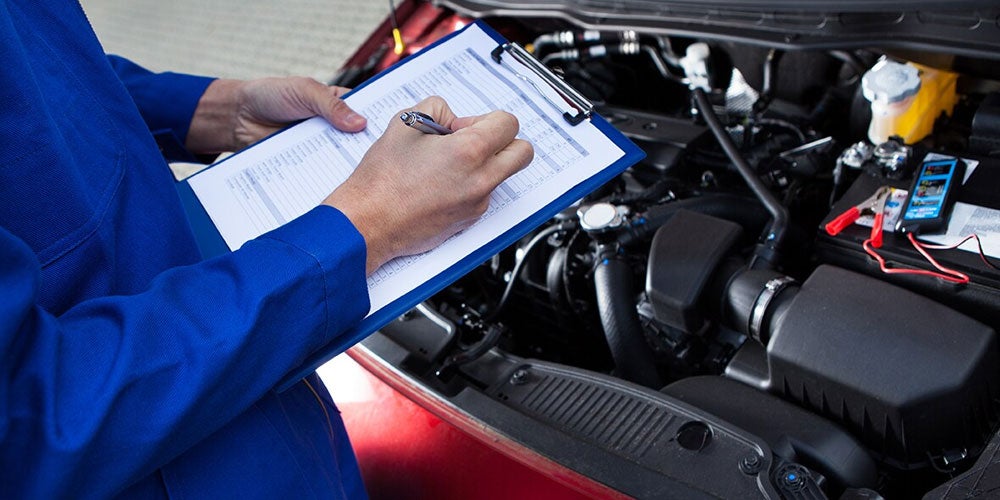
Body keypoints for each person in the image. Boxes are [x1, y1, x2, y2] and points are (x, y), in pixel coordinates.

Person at [0, 1, 532, 498]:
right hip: (168, 441)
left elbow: (33, 57)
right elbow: (25, 419)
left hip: (238, 352)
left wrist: (212, 109)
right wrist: (367, 229)